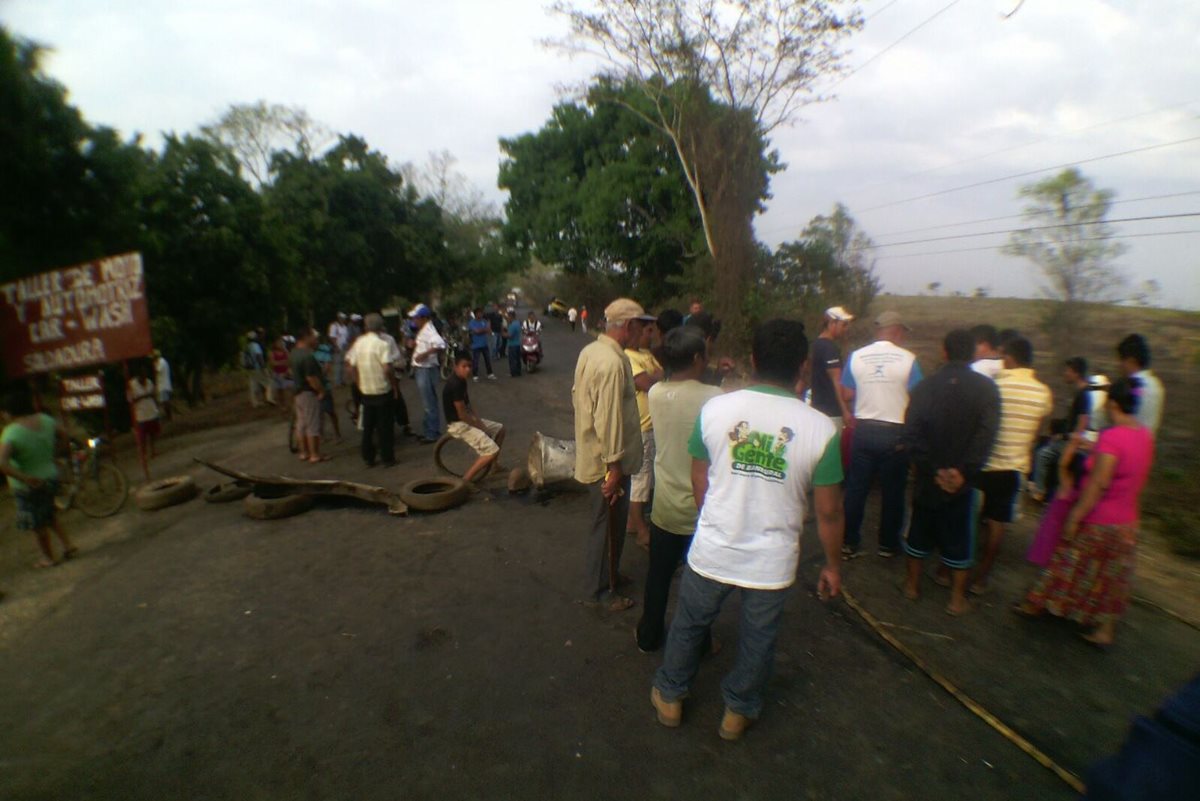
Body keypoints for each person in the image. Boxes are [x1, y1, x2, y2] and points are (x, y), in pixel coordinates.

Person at [650, 319, 844, 741]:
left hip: (714, 546)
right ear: (804, 368)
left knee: (689, 624)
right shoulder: (821, 430)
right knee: (759, 639)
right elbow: (829, 512)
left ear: (753, 360)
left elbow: (698, 479)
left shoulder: (715, 409)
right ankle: (737, 713)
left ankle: (669, 695)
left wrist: (714, 519)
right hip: (771, 562)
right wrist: (832, 565)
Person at [1014, 377, 1154, 647]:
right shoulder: (1144, 435)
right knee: (1112, 577)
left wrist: (1075, 517)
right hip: (1127, 521)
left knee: (1066, 562)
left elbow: (1098, 483)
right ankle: (1105, 630)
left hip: (1100, 520)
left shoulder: (1111, 437)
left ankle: (1036, 604)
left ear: (1112, 403)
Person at [900, 330, 1000, 615]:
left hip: (928, 478)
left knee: (919, 531)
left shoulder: (924, 387)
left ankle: (911, 587)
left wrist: (931, 469)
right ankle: (956, 601)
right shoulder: (987, 389)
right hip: (962, 483)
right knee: (960, 537)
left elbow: (911, 432)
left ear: (944, 352)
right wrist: (963, 472)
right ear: (972, 354)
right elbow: (986, 435)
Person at [636, 326, 721, 652]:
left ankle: (648, 636)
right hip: (704, 507)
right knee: (700, 583)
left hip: (666, 508)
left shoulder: (657, 393)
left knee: (658, 578)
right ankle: (700, 643)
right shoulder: (715, 398)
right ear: (699, 357)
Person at [572, 298, 654, 612]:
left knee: (610, 524)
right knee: (606, 525)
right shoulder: (610, 361)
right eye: (640, 325)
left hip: (600, 454)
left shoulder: (593, 351)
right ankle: (601, 591)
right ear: (629, 326)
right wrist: (614, 465)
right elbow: (608, 418)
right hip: (608, 461)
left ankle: (608, 577)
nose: (644, 332)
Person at [966, 336, 1053, 594]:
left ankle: (951, 568)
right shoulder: (1043, 392)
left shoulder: (995, 386)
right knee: (997, 523)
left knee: (967, 516)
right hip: (1013, 468)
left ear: (1011, 358)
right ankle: (982, 578)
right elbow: (1040, 425)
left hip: (983, 462)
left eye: (1003, 357)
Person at [840, 310, 923, 558]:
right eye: (903, 333)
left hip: (864, 430)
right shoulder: (908, 359)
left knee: (856, 489)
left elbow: (846, 394)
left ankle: (848, 542)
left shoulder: (857, 356)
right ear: (896, 331)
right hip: (895, 433)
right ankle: (887, 544)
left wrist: (870, 390)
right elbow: (917, 396)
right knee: (893, 492)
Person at [1, 390, 77, 568]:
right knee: (50, 514)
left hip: (27, 485)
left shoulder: (11, 432)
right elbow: (65, 435)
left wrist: (25, 478)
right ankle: (68, 545)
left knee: (37, 524)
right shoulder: (46, 420)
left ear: (9, 411)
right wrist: (56, 453)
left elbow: (2, 463)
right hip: (50, 476)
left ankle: (48, 557)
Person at [1030, 357, 1094, 501]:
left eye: (1068, 370)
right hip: (1068, 439)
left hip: (1070, 443)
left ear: (1076, 373)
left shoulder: (1084, 395)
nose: (1065, 373)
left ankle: (1039, 491)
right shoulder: (1081, 393)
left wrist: (1068, 439)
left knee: (1042, 453)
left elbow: (1083, 421)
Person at [624, 315, 663, 549]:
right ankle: (640, 529)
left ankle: (633, 521)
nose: (651, 335)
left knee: (648, 477)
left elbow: (661, 376)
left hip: (652, 425)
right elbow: (649, 382)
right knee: (641, 477)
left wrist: (658, 377)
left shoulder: (646, 355)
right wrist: (658, 377)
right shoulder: (628, 357)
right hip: (641, 426)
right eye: (648, 331)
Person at [443, 352, 508, 483]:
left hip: (466, 419)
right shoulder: (455, 384)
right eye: (464, 366)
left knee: (500, 429)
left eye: (469, 366)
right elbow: (462, 415)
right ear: (456, 367)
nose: (467, 369)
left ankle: (494, 466)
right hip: (458, 424)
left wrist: (479, 422)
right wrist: (481, 428)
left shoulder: (462, 381)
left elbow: (469, 407)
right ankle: (465, 481)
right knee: (491, 451)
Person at [345, 313, 397, 467]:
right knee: (384, 426)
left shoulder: (359, 343)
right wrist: (393, 384)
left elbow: (351, 367)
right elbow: (387, 368)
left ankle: (369, 457)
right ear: (381, 327)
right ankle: (387, 458)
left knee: (368, 426)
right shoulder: (382, 345)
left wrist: (358, 382)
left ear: (366, 327)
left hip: (366, 391)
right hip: (382, 389)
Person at [810, 306, 855, 431]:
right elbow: (837, 381)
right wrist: (845, 411)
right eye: (844, 324)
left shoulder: (816, 344)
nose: (846, 329)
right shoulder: (829, 348)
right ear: (832, 323)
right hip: (832, 413)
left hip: (817, 408)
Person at [289, 327, 329, 463]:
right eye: (313, 336)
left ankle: (303, 452)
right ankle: (315, 454)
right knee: (313, 424)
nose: (315, 339)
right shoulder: (307, 356)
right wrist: (321, 391)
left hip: (298, 393)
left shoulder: (293, 353)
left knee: (301, 424)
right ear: (306, 337)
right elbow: (311, 378)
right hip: (308, 392)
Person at [409, 304, 446, 444]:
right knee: (429, 402)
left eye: (416, 317)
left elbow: (440, 344)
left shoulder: (428, 330)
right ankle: (430, 430)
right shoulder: (424, 329)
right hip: (424, 369)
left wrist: (424, 354)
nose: (414, 320)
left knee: (428, 403)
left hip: (425, 369)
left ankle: (431, 433)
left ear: (423, 318)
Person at [1116, 334, 1164, 436]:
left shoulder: (1130, 386)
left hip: (1125, 445)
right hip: (1146, 446)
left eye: (1121, 361)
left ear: (1131, 361)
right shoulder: (1156, 385)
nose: (1119, 366)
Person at [127, 361, 161, 481]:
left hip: (151, 411)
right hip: (140, 415)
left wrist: (155, 404)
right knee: (142, 437)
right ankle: (143, 455)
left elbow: (154, 395)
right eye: (142, 373)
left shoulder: (150, 382)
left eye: (145, 372)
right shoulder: (132, 384)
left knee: (152, 434)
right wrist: (143, 396)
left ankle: (153, 451)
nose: (144, 374)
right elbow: (130, 400)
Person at [313, 336, 342, 443]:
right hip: (311, 385)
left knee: (330, 411)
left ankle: (337, 433)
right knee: (317, 412)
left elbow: (327, 366)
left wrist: (319, 376)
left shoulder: (323, 349)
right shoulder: (306, 351)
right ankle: (321, 434)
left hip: (323, 383)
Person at [467, 308, 497, 381]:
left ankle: (490, 374)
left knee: (487, 360)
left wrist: (484, 329)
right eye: (479, 313)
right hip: (476, 345)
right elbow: (476, 331)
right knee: (476, 361)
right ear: (475, 314)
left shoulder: (484, 321)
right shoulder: (472, 322)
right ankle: (475, 375)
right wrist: (484, 330)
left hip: (484, 344)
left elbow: (489, 330)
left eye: (481, 313)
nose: (480, 314)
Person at [243, 331, 271, 407]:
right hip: (257, 367)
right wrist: (263, 367)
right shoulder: (255, 346)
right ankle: (269, 398)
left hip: (250, 368)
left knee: (253, 385)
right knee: (268, 383)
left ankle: (255, 402)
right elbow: (259, 356)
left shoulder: (246, 347)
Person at [269, 336, 292, 415]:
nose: (281, 344)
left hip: (285, 373)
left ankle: (288, 405)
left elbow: (289, 361)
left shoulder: (286, 351)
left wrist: (281, 363)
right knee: (280, 391)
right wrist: (283, 362)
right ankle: (283, 406)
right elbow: (273, 363)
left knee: (287, 390)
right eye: (279, 343)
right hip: (277, 374)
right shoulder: (272, 353)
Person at [328, 312, 351, 386]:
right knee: (338, 364)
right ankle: (337, 381)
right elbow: (332, 337)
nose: (343, 320)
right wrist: (336, 346)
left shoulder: (344, 327)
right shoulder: (334, 326)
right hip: (338, 347)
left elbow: (346, 338)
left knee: (343, 365)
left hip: (344, 346)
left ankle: (342, 380)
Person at [152, 349, 173, 421]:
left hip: (163, 386)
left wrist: (154, 364)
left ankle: (169, 417)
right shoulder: (162, 362)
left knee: (165, 402)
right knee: (164, 402)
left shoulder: (161, 362)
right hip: (162, 385)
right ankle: (168, 417)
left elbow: (157, 370)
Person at [506, 311, 523, 377]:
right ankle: (518, 372)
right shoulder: (518, 323)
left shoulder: (512, 325)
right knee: (517, 359)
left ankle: (513, 373)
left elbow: (510, 336)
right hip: (517, 344)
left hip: (512, 344)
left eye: (508, 316)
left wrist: (503, 334)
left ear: (511, 316)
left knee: (512, 360)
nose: (507, 318)